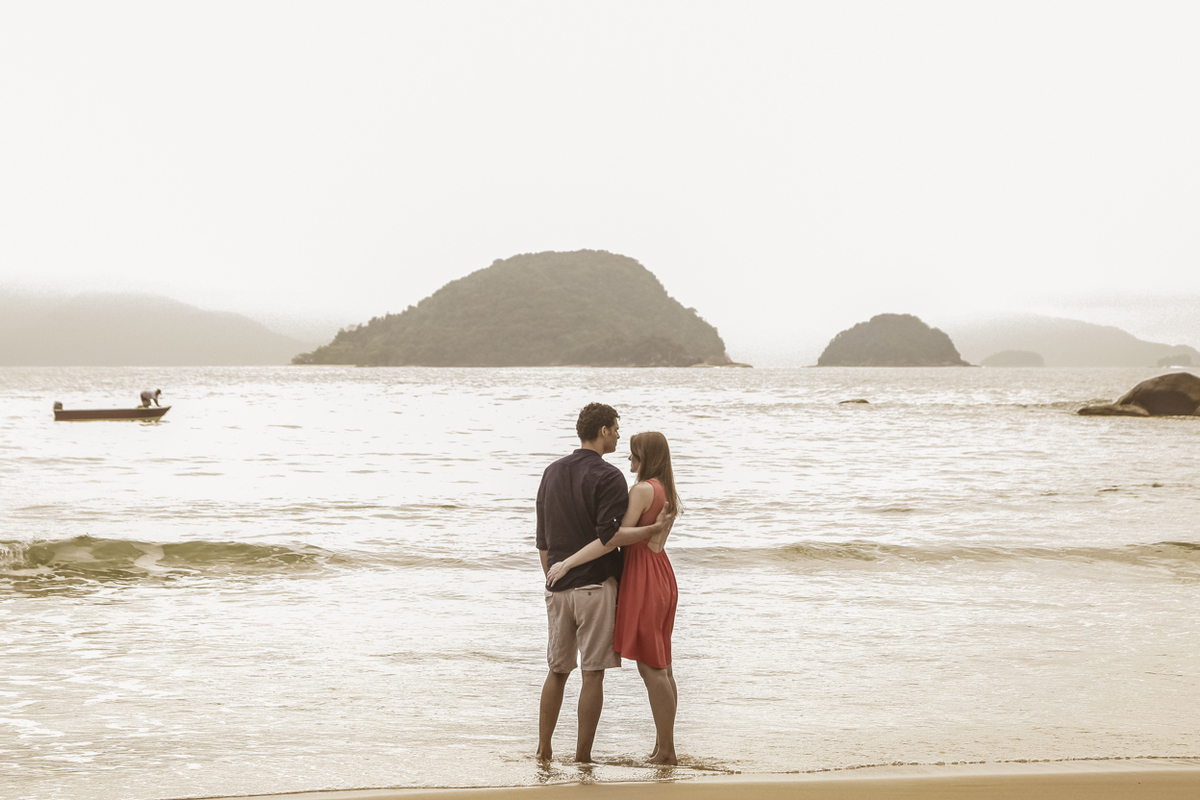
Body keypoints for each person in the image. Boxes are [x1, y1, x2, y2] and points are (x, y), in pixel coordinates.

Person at [536, 403, 672, 764]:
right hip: (595, 586)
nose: (617, 435)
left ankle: (543, 751)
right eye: (615, 429)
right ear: (602, 432)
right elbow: (610, 536)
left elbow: (543, 539)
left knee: (557, 671)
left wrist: (552, 576)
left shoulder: (551, 472)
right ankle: (582, 757)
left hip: (557, 586)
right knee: (592, 675)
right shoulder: (609, 476)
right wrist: (652, 529)